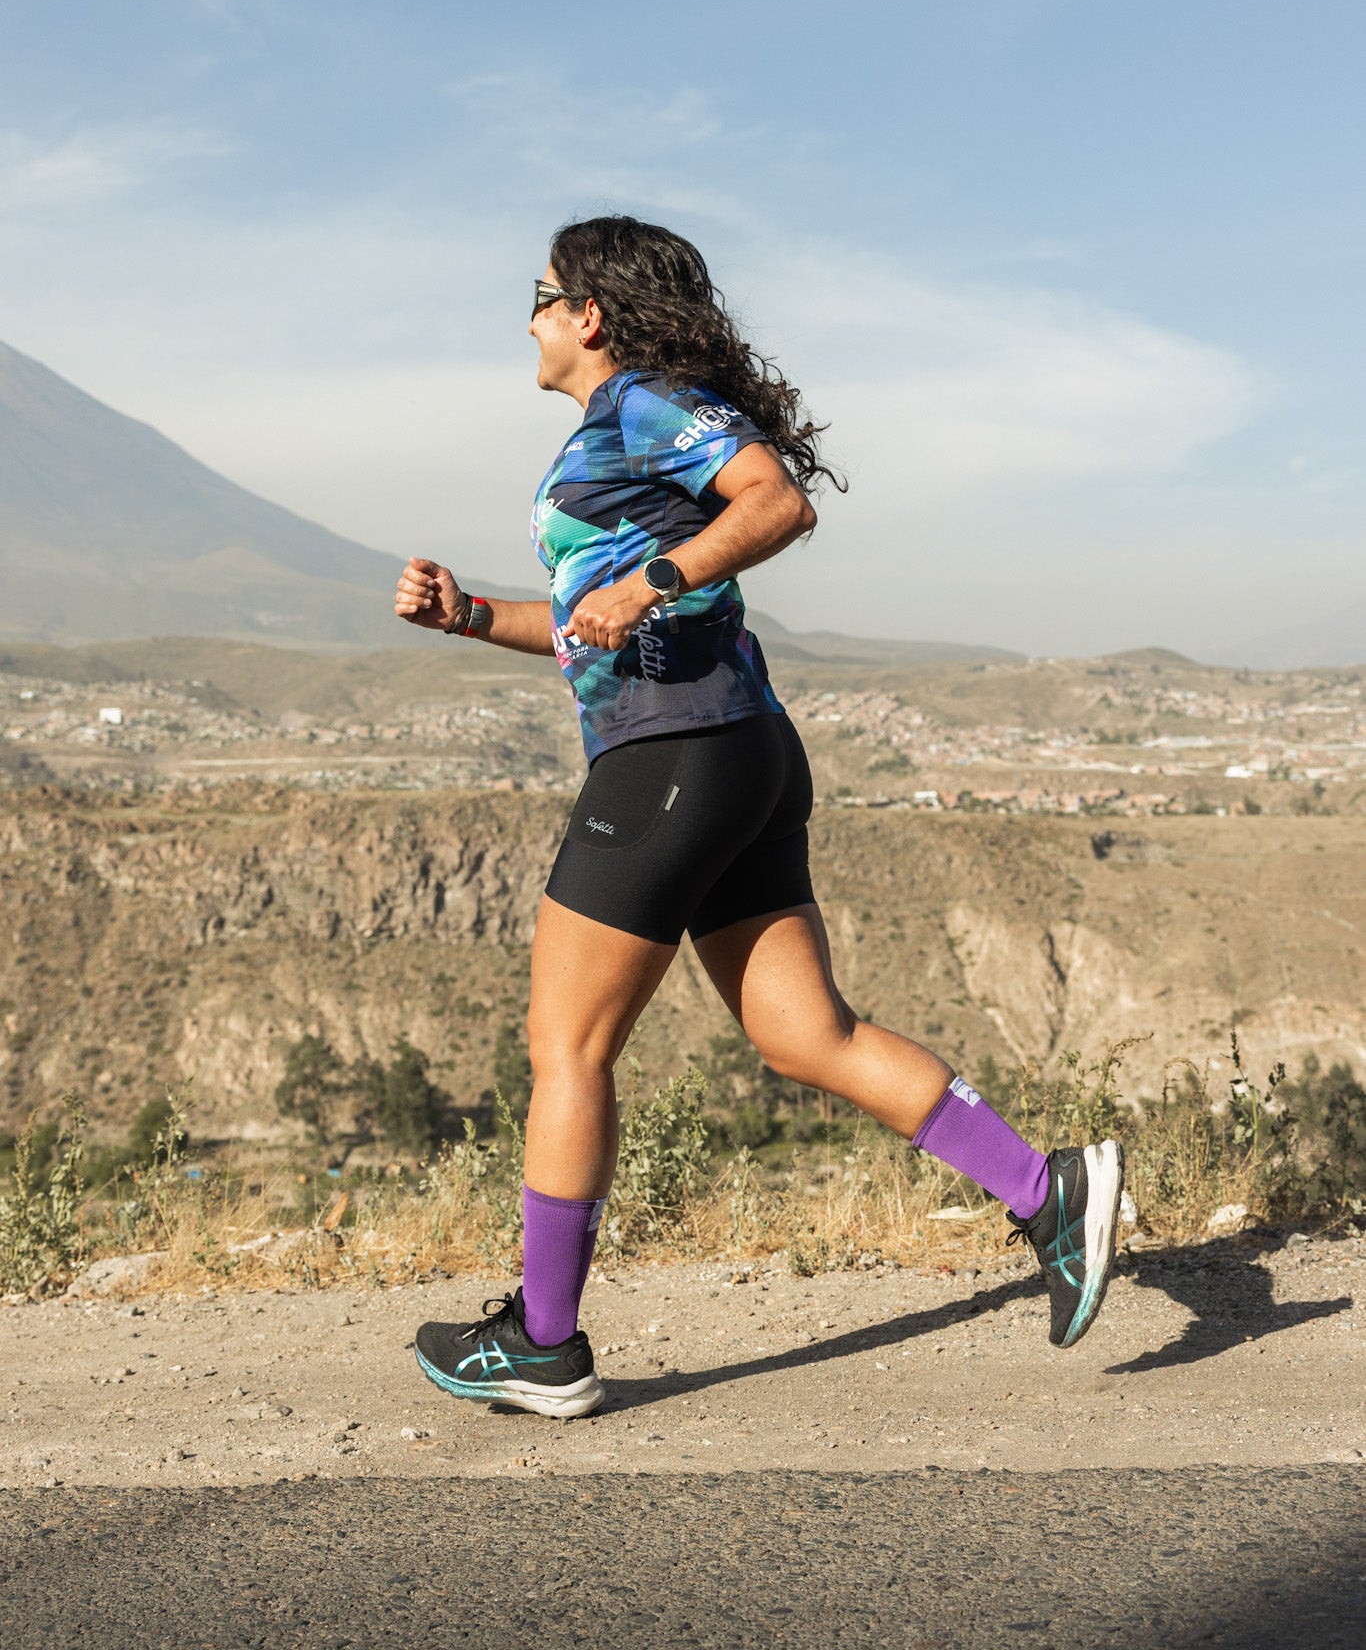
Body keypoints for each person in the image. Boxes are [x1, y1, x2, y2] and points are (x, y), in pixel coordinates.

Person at [393, 216, 1123, 1419]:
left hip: (673, 756)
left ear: (590, 312)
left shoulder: (641, 404)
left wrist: (657, 579)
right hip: (733, 752)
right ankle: (1050, 1192)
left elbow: (774, 504)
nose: (522, 318)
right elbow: (588, 617)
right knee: (805, 1034)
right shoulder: (610, 432)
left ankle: (542, 1341)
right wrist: (471, 613)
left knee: (564, 1047)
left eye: (534, 295)